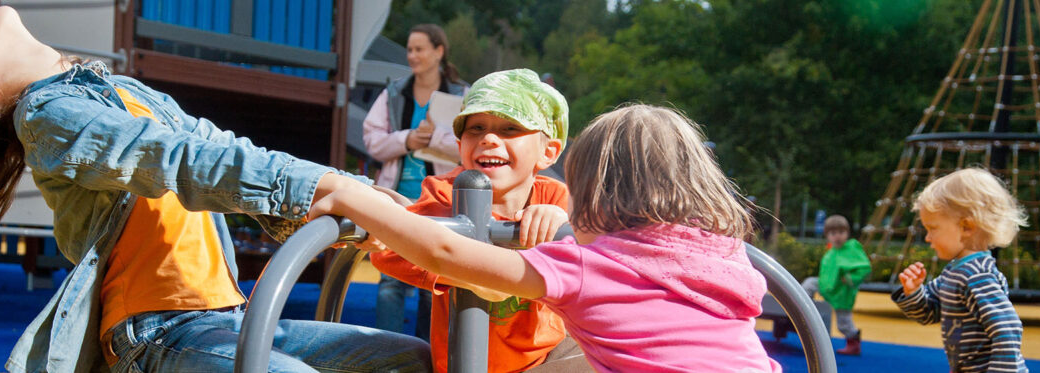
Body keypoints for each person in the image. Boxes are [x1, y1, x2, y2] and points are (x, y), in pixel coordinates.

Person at [0, 6, 429, 372]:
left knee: (412, 359)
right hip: (160, 335)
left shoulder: (111, 87)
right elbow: (183, 161)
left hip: (227, 316)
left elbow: (224, 147)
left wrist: (353, 198)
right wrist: (334, 189)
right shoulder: (48, 115)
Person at [313, 104, 781, 372]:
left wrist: (354, 199)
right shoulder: (725, 252)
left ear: (592, 191)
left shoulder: (587, 263)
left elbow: (445, 251)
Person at [369, 69, 585, 372]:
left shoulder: (554, 197)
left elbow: (590, 257)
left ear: (547, 152)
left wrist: (560, 224)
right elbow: (386, 248)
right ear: (459, 147)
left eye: (510, 128)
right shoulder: (444, 192)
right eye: (476, 128)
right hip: (467, 362)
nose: (489, 138)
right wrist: (473, 266)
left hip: (543, 359)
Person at [361, 23, 467, 338]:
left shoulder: (462, 94)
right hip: (397, 199)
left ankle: (426, 353)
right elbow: (372, 140)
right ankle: (385, 355)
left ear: (439, 51)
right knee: (389, 283)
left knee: (431, 284)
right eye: (409, 49)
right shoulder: (393, 92)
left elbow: (470, 145)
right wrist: (409, 138)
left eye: (419, 49)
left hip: (440, 202)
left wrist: (433, 137)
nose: (412, 55)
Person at [894, 168, 1028, 372]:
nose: (928, 238)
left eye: (933, 229)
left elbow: (1007, 330)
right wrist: (913, 292)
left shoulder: (977, 276)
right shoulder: (955, 272)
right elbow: (929, 313)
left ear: (967, 227)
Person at [799, 214, 870, 355]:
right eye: (833, 233)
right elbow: (827, 271)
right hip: (827, 286)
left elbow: (864, 268)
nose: (837, 237)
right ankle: (804, 304)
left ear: (847, 233)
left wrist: (850, 278)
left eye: (841, 233)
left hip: (842, 291)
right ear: (827, 235)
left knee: (843, 323)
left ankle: (854, 342)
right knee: (809, 283)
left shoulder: (851, 249)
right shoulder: (831, 252)